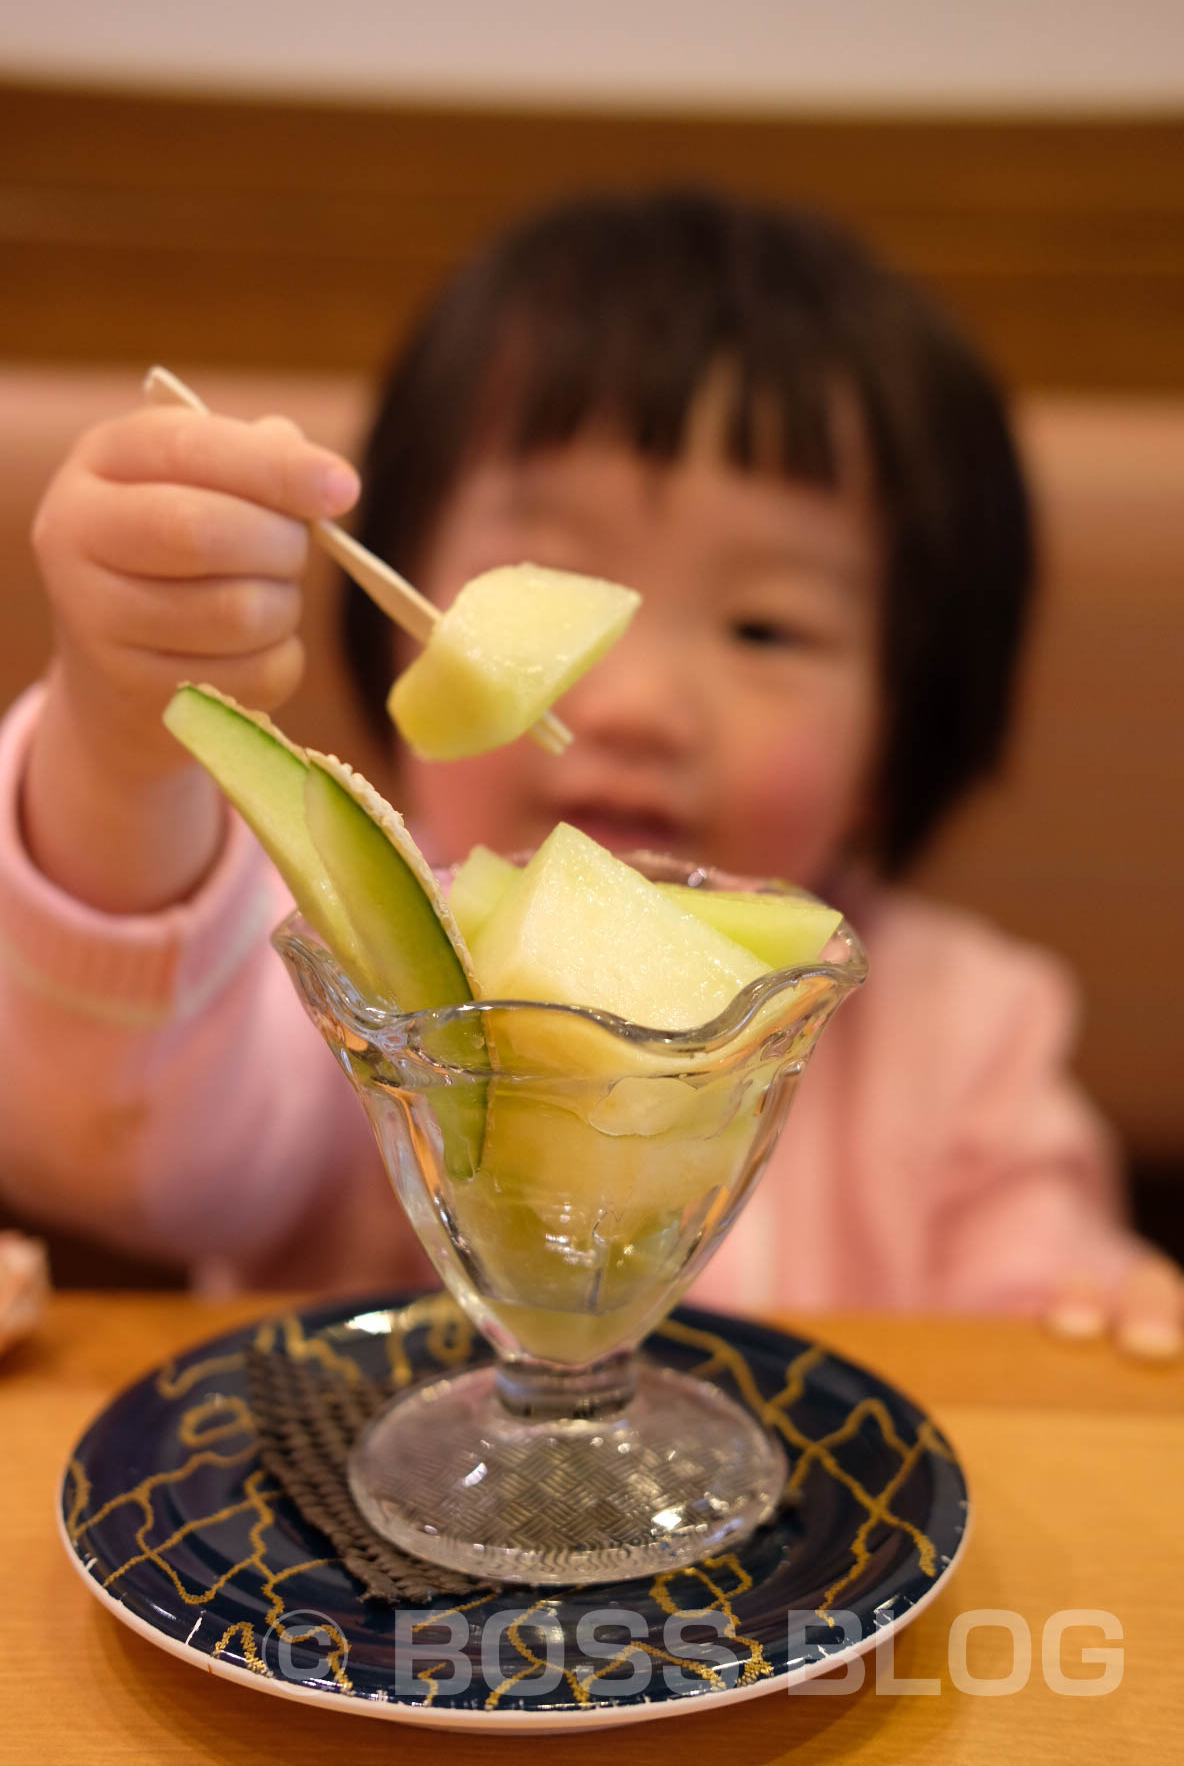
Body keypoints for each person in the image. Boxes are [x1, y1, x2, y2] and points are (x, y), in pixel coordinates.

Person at [1, 188, 1179, 1353]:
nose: (629, 703)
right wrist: (121, 741)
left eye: (764, 629)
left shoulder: (961, 1032)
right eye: (540, 588)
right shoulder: (334, 958)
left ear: (901, 730)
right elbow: (124, 1137)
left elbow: (1049, 1327)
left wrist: (1101, 1303)